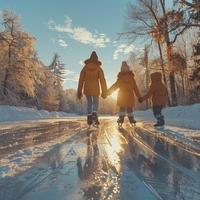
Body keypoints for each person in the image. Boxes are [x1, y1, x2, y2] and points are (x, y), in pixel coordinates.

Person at [102, 61, 142, 126]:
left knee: (122, 108)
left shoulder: (120, 79)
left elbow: (114, 87)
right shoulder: (132, 79)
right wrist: (139, 97)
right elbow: (136, 89)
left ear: (121, 70)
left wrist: (106, 93)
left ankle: (121, 118)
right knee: (129, 108)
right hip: (130, 96)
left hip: (122, 96)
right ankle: (131, 119)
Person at [77, 51, 107, 126]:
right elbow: (102, 80)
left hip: (87, 88)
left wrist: (79, 90)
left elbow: (81, 80)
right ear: (96, 59)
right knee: (96, 102)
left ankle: (89, 118)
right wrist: (104, 91)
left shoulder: (85, 68)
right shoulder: (99, 68)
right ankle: (94, 114)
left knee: (89, 102)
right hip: (95, 88)